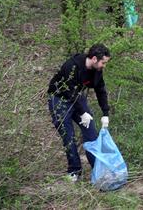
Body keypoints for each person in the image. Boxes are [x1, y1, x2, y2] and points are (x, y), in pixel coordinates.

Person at [47, 44, 111, 182]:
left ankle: (98, 168)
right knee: (68, 136)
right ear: (94, 59)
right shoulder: (71, 66)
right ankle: (74, 171)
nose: (103, 66)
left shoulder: (96, 70)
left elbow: (100, 90)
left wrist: (105, 113)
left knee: (91, 131)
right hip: (59, 99)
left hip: (76, 97)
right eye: (103, 62)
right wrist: (82, 112)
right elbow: (69, 91)